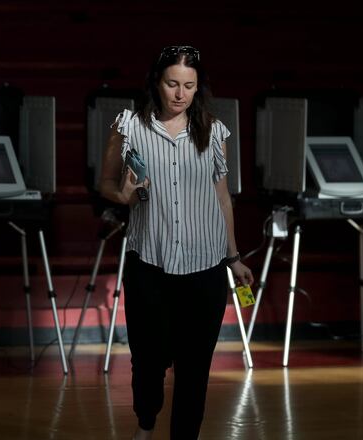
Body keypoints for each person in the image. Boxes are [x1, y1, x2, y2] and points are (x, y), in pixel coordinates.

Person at [98, 45, 254, 440]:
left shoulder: (214, 132)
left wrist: (233, 258)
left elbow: (222, 198)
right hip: (149, 263)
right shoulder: (128, 125)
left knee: (195, 366)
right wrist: (126, 195)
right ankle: (146, 422)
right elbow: (106, 184)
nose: (180, 93)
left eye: (189, 85)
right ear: (157, 82)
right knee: (147, 361)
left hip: (205, 267)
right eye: (172, 83)